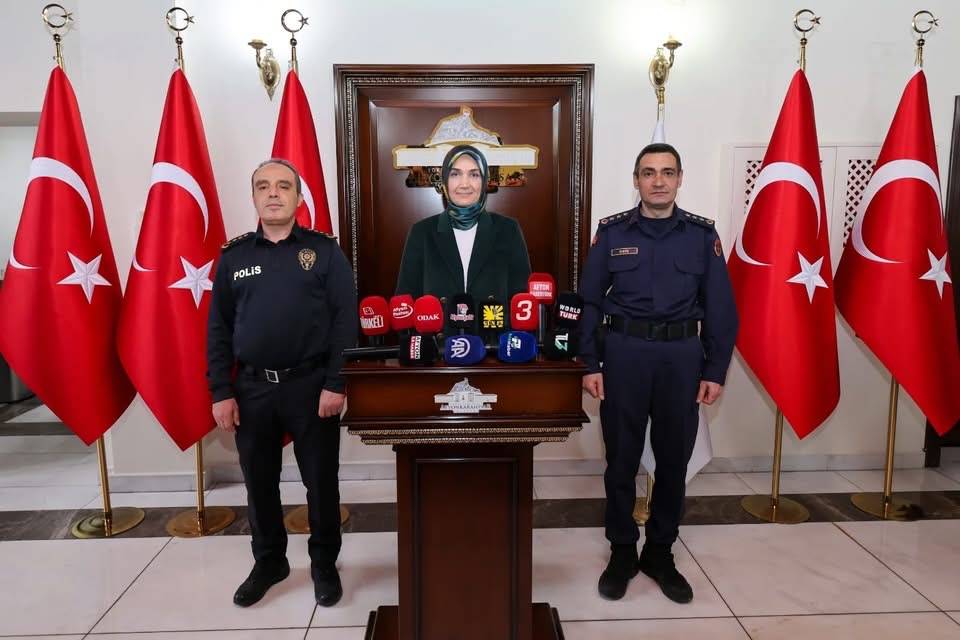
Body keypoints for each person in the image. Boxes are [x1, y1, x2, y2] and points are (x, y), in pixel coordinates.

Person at [578, 143, 738, 603]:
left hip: (681, 358)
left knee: (673, 462)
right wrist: (590, 363)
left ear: (680, 178)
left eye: (668, 172)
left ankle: (660, 552)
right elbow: (589, 302)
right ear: (636, 180)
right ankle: (622, 551)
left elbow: (721, 308)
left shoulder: (701, 236)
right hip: (624, 356)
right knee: (621, 461)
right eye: (649, 172)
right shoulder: (611, 233)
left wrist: (715, 369)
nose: (659, 181)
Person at [207, 158, 358, 608]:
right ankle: (270, 562)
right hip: (252, 388)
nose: (273, 193)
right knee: (259, 482)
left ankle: (324, 563)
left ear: (298, 197)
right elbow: (218, 329)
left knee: (321, 482)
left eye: (283, 186)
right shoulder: (234, 257)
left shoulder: (324, 252)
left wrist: (336, 382)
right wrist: (221, 391)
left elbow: (345, 321)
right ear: (254, 197)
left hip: (312, 386)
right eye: (263, 186)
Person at [395, 144, 531, 315]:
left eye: (474, 174)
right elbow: (405, 305)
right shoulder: (421, 232)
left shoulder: (508, 230)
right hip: (440, 333)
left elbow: (521, 301)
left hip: (492, 332)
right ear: (445, 181)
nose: (464, 184)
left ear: (484, 181)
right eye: (455, 174)